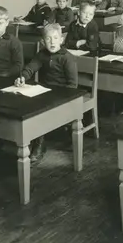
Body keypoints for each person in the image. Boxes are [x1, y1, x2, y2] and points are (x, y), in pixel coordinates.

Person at [16, 24, 78, 163]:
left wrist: (61, 97)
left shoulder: (67, 58)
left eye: (55, 38)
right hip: (45, 92)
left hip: (63, 95)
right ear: (43, 41)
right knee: (28, 103)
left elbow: (72, 85)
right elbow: (30, 68)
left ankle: (39, 144)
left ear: (61, 40)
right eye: (48, 39)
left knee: (40, 110)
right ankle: (29, 140)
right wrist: (23, 77)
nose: (52, 42)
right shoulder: (42, 54)